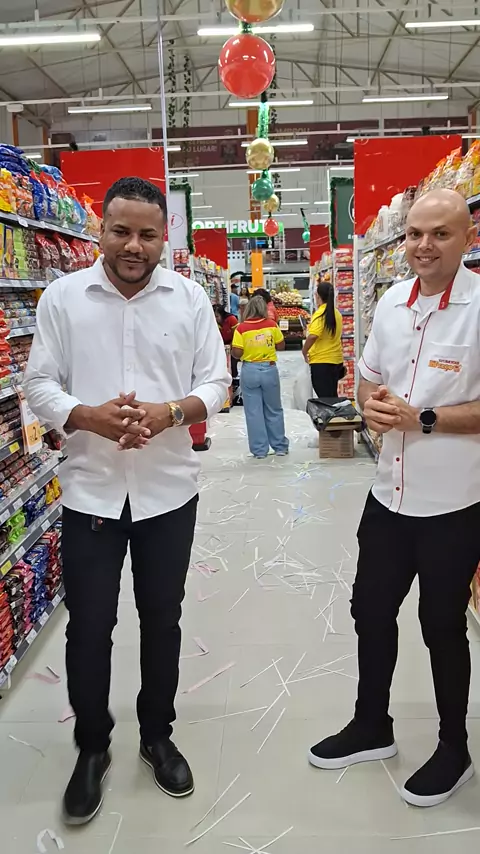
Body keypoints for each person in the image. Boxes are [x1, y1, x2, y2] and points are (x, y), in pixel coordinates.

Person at [24, 177, 230, 825]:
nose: (133, 246)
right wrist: (88, 415)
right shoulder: (63, 298)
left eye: (147, 234)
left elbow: (217, 382)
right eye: (121, 231)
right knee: (89, 626)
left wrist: (172, 413)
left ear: (164, 236)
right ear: (101, 232)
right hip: (91, 491)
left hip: (168, 493)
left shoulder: (189, 299)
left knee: (162, 620)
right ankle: (93, 747)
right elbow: (38, 383)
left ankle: (156, 735)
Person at [308, 188, 480, 808]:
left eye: (440, 234)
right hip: (388, 498)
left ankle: (455, 748)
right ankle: (371, 725)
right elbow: (367, 382)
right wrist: (372, 407)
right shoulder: (388, 304)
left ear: (467, 239)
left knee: (442, 625)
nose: (423, 246)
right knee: (370, 610)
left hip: (453, 505)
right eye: (414, 234)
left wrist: (424, 419)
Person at [232, 295, 289, 458]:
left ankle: (259, 450)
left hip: (250, 370)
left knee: (253, 411)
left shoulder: (241, 328)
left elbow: (237, 353)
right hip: (269, 369)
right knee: (274, 409)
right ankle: (280, 447)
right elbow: (281, 345)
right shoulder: (271, 325)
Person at [302, 281, 344, 398]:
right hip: (336, 360)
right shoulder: (337, 313)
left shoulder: (320, 314)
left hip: (321, 362)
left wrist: (304, 351)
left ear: (318, 296)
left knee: (325, 399)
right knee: (332, 396)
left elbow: (313, 336)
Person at [213, 303, 238, 379]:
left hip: (232, 342)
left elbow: (236, 335)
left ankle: (233, 377)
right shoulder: (212, 322)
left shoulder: (231, 319)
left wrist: (231, 346)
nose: (215, 319)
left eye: (217, 316)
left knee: (232, 363)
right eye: (213, 316)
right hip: (220, 344)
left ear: (222, 315)